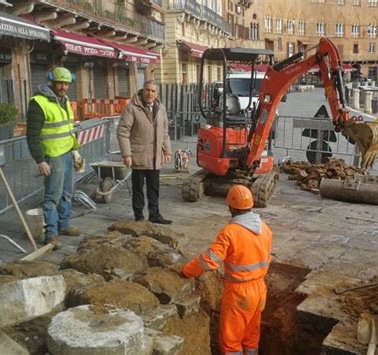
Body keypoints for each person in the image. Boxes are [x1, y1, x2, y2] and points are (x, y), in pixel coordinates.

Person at [181, 185, 272, 354]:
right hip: (260, 289)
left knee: (231, 340)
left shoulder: (230, 232)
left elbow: (209, 260)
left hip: (240, 293)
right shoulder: (264, 228)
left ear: (230, 206)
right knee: (251, 334)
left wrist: (187, 271)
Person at [26, 67, 81, 249]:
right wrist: (40, 160)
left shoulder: (64, 101)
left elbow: (67, 129)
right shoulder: (39, 103)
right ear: (52, 82)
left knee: (67, 193)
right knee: (52, 196)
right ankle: (51, 232)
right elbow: (32, 135)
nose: (63, 87)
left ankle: (63, 225)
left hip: (65, 154)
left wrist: (75, 150)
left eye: (66, 84)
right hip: (52, 156)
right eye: (60, 83)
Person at [117, 80, 172, 224]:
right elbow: (123, 132)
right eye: (147, 90)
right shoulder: (132, 108)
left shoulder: (161, 109)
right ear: (143, 90)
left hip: (155, 157)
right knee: (138, 189)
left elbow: (165, 132)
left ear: (157, 93)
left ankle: (154, 214)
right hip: (138, 156)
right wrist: (127, 154)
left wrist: (167, 151)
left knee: (154, 188)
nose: (150, 93)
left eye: (153, 91)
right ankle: (139, 216)